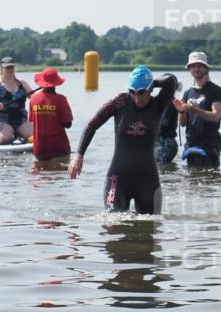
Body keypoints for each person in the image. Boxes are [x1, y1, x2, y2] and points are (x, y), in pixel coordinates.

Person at [68, 65, 178, 214]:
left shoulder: (158, 104)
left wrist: (153, 82)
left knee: (150, 228)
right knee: (113, 224)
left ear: (151, 89)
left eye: (141, 92)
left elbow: (171, 81)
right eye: (132, 92)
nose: (136, 97)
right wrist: (79, 155)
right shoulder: (120, 102)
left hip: (148, 179)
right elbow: (91, 126)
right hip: (118, 177)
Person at [178, 51, 221, 167]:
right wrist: (182, 110)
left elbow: (215, 117)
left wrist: (194, 110)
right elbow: (182, 123)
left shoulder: (215, 90)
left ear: (206, 68)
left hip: (209, 143)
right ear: (189, 69)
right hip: (191, 143)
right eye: (193, 66)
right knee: (191, 180)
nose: (196, 69)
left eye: (199, 66)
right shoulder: (188, 93)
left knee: (209, 180)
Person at [0, 56, 33, 144]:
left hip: (21, 119)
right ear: (1, 69)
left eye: (11, 67)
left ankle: (19, 134)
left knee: (36, 138)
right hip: (2, 119)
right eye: (7, 67)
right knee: (1, 140)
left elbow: (33, 97)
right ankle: (5, 136)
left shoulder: (22, 83)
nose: (10, 70)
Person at [28, 67, 73, 160]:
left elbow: (32, 120)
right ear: (56, 83)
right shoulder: (61, 99)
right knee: (59, 173)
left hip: (39, 150)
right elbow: (68, 124)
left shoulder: (33, 99)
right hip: (59, 148)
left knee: (41, 174)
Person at [156, 78, 182, 164]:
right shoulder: (157, 101)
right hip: (162, 142)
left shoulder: (172, 103)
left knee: (160, 168)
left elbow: (163, 124)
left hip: (166, 142)